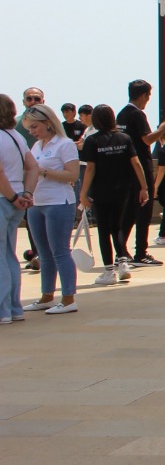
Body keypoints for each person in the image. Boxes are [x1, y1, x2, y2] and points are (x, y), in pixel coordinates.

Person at [20, 104, 81, 314]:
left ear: (47, 123)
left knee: (60, 251)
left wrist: (44, 172)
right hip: (37, 203)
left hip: (58, 202)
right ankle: (47, 295)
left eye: (34, 127)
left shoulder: (65, 145)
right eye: (29, 128)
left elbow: (72, 175)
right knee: (44, 253)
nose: (32, 132)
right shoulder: (37, 146)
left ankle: (68, 298)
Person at [79, 104, 146, 285]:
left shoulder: (93, 141)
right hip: (122, 190)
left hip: (102, 191)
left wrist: (83, 193)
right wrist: (144, 187)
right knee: (117, 227)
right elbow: (136, 163)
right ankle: (123, 262)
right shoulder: (124, 138)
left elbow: (90, 168)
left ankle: (109, 270)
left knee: (103, 230)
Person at [118, 79, 165, 267]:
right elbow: (148, 139)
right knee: (143, 211)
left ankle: (121, 251)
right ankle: (141, 253)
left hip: (125, 168)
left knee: (128, 213)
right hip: (140, 168)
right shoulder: (137, 115)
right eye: (148, 96)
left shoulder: (121, 115)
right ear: (144, 95)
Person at [0, 95, 41, 322]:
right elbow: (32, 167)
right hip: (16, 199)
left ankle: (2, 310)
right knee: (9, 256)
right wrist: (26, 193)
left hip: (4, 197)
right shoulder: (16, 136)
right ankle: (15, 308)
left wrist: (13, 196)